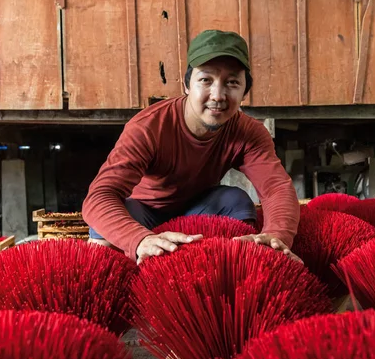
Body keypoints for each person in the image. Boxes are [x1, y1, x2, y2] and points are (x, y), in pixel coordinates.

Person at [82, 29, 301, 265]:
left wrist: (277, 237)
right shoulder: (148, 127)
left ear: (245, 91)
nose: (218, 95)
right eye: (206, 80)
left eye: (232, 82)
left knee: (235, 200)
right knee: (103, 226)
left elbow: (275, 188)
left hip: (198, 211)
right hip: (144, 213)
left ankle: (231, 269)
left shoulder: (249, 132)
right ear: (187, 85)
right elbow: (99, 197)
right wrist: (139, 239)